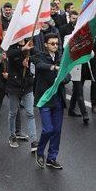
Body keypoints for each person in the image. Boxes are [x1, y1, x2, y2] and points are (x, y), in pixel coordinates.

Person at [33, 33, 68, 169]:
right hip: (45, 99)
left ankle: (52, 158)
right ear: (46, 44)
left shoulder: (62, 57)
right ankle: (40, 152)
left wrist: (62, 77)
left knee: (57, 130)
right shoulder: (40, 55)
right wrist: (53, 68)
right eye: (52, 43)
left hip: (58, 98)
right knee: (48, 129)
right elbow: (39, 65)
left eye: (57, 43)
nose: (55, 46)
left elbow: (68, 75)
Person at [5, 39, 37, 149]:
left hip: (27, 85)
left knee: (30, 113)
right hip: (14, 85)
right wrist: (23, 49)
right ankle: (12, 136)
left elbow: (38, 55)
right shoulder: (12, 45)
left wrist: (29, 59)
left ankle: (34, 141)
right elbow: (8, 54)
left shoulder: (30, 42)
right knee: (13, 112)